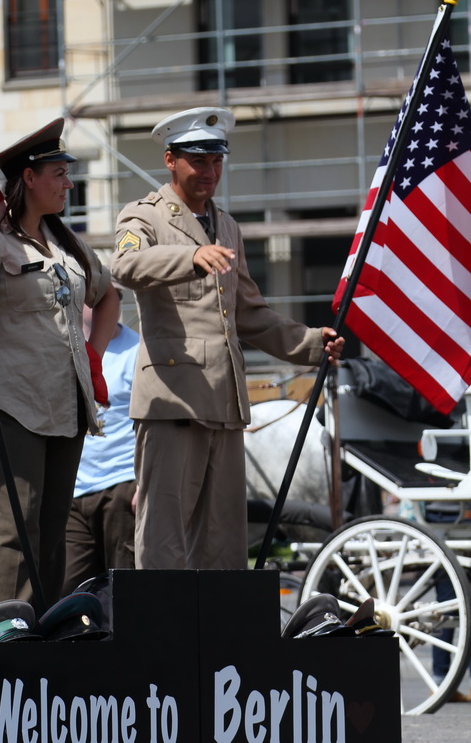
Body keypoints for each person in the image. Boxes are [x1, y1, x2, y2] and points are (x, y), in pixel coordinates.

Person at [111, 106, 345, 571]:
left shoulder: (228, 225)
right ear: (170, 160)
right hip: (173, 402)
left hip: (225, 402)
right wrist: (190, 257)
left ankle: (219, 621)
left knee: (224, 543)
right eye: (198, 160)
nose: (210, 172)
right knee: (163, 539)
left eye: (217, 161)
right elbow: (124, 266)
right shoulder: (144, 216)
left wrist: (311, 343)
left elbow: (249, 314)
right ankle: (163, 620)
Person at [0, 117, 119, 610]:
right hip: (13, 404)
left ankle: (40, 633)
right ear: (29, 177)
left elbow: (109, 296)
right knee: (16, 523)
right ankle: (5, 637)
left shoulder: (65, 241)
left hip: (66, 404)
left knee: (52, 528)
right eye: (59, 173)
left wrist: (93, 354)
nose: (68, 183)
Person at [62, 296, 139, 595]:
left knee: (125, 593)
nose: (95, 305)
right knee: (67, 593)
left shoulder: (136, 350)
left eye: (106, 297)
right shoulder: (65, 347)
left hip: (122, 489)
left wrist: (146, 482)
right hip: (73, 491)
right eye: (89, 297)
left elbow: (153, 426)